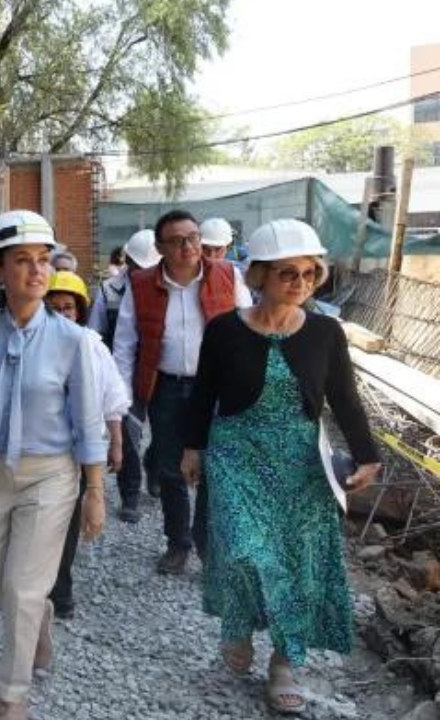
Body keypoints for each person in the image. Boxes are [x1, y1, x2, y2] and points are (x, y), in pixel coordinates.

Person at [181, 219, 381, 714]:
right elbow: (203, 392)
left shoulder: (325, 333)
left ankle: (284, 664)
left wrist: (368, 455)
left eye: (310, 273)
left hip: (300, 460)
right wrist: (191, 447)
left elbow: (345, 399)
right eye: (288, 273)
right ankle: (241, 625)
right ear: (259, 277)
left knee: (296, 562)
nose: (302, 283)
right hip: (236, 453)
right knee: (244, 550)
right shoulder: (224, 330)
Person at [0, 210, 107, 720]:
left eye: (43, 261)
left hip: (52, 475)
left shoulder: (73, 341)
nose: (37, 272)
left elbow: (89, 421)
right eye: (22, 261)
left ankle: (12, 694)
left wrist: (95, 491)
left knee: (20, 586)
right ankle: (40, 617)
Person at [112, 210, 253, 575]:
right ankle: (178, 543)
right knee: (170, 469)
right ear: (160, 248)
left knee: (214, 468)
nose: (188, 246)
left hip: (218, 389)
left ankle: (209, 548)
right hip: (167, 388)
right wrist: (124, 399)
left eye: (192, 237)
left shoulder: (227, 275)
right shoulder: (141, 284)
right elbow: (126, 343)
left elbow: (250, 328)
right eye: (176, 240)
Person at [44, 271, 129, 619]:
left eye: (69, 308)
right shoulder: (31, 344)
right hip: (43, 447)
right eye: (55, 308)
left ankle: (60, 591)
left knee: (67, 519)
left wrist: (117, 442)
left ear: (79, 311)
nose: (63, 314)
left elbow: (112, 397)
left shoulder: (92, 345)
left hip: (79, 449)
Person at [88, 229, 160, 521]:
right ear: (127, 260)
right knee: (129, 435)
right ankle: (129, 495)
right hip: (121, 374)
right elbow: (95, 334)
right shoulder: (109, 291)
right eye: (136, 266)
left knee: (166, 431)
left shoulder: (167, 292)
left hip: (159, 374)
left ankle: (154, 466)